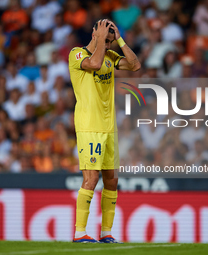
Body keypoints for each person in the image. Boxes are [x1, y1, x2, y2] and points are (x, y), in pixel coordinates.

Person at [68, 19, 140, 243]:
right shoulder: (76, 54)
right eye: (106, 40)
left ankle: (106, 232)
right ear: (94, 33)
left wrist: (119, 39)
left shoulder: (110, 55)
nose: (108, 46)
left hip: (109, 128)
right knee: (91, 178)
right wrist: (100, 40)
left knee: (111, 180)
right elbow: (95, 64)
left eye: (110, 42)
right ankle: (80, 232)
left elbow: (135, 65)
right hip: (89, 126)